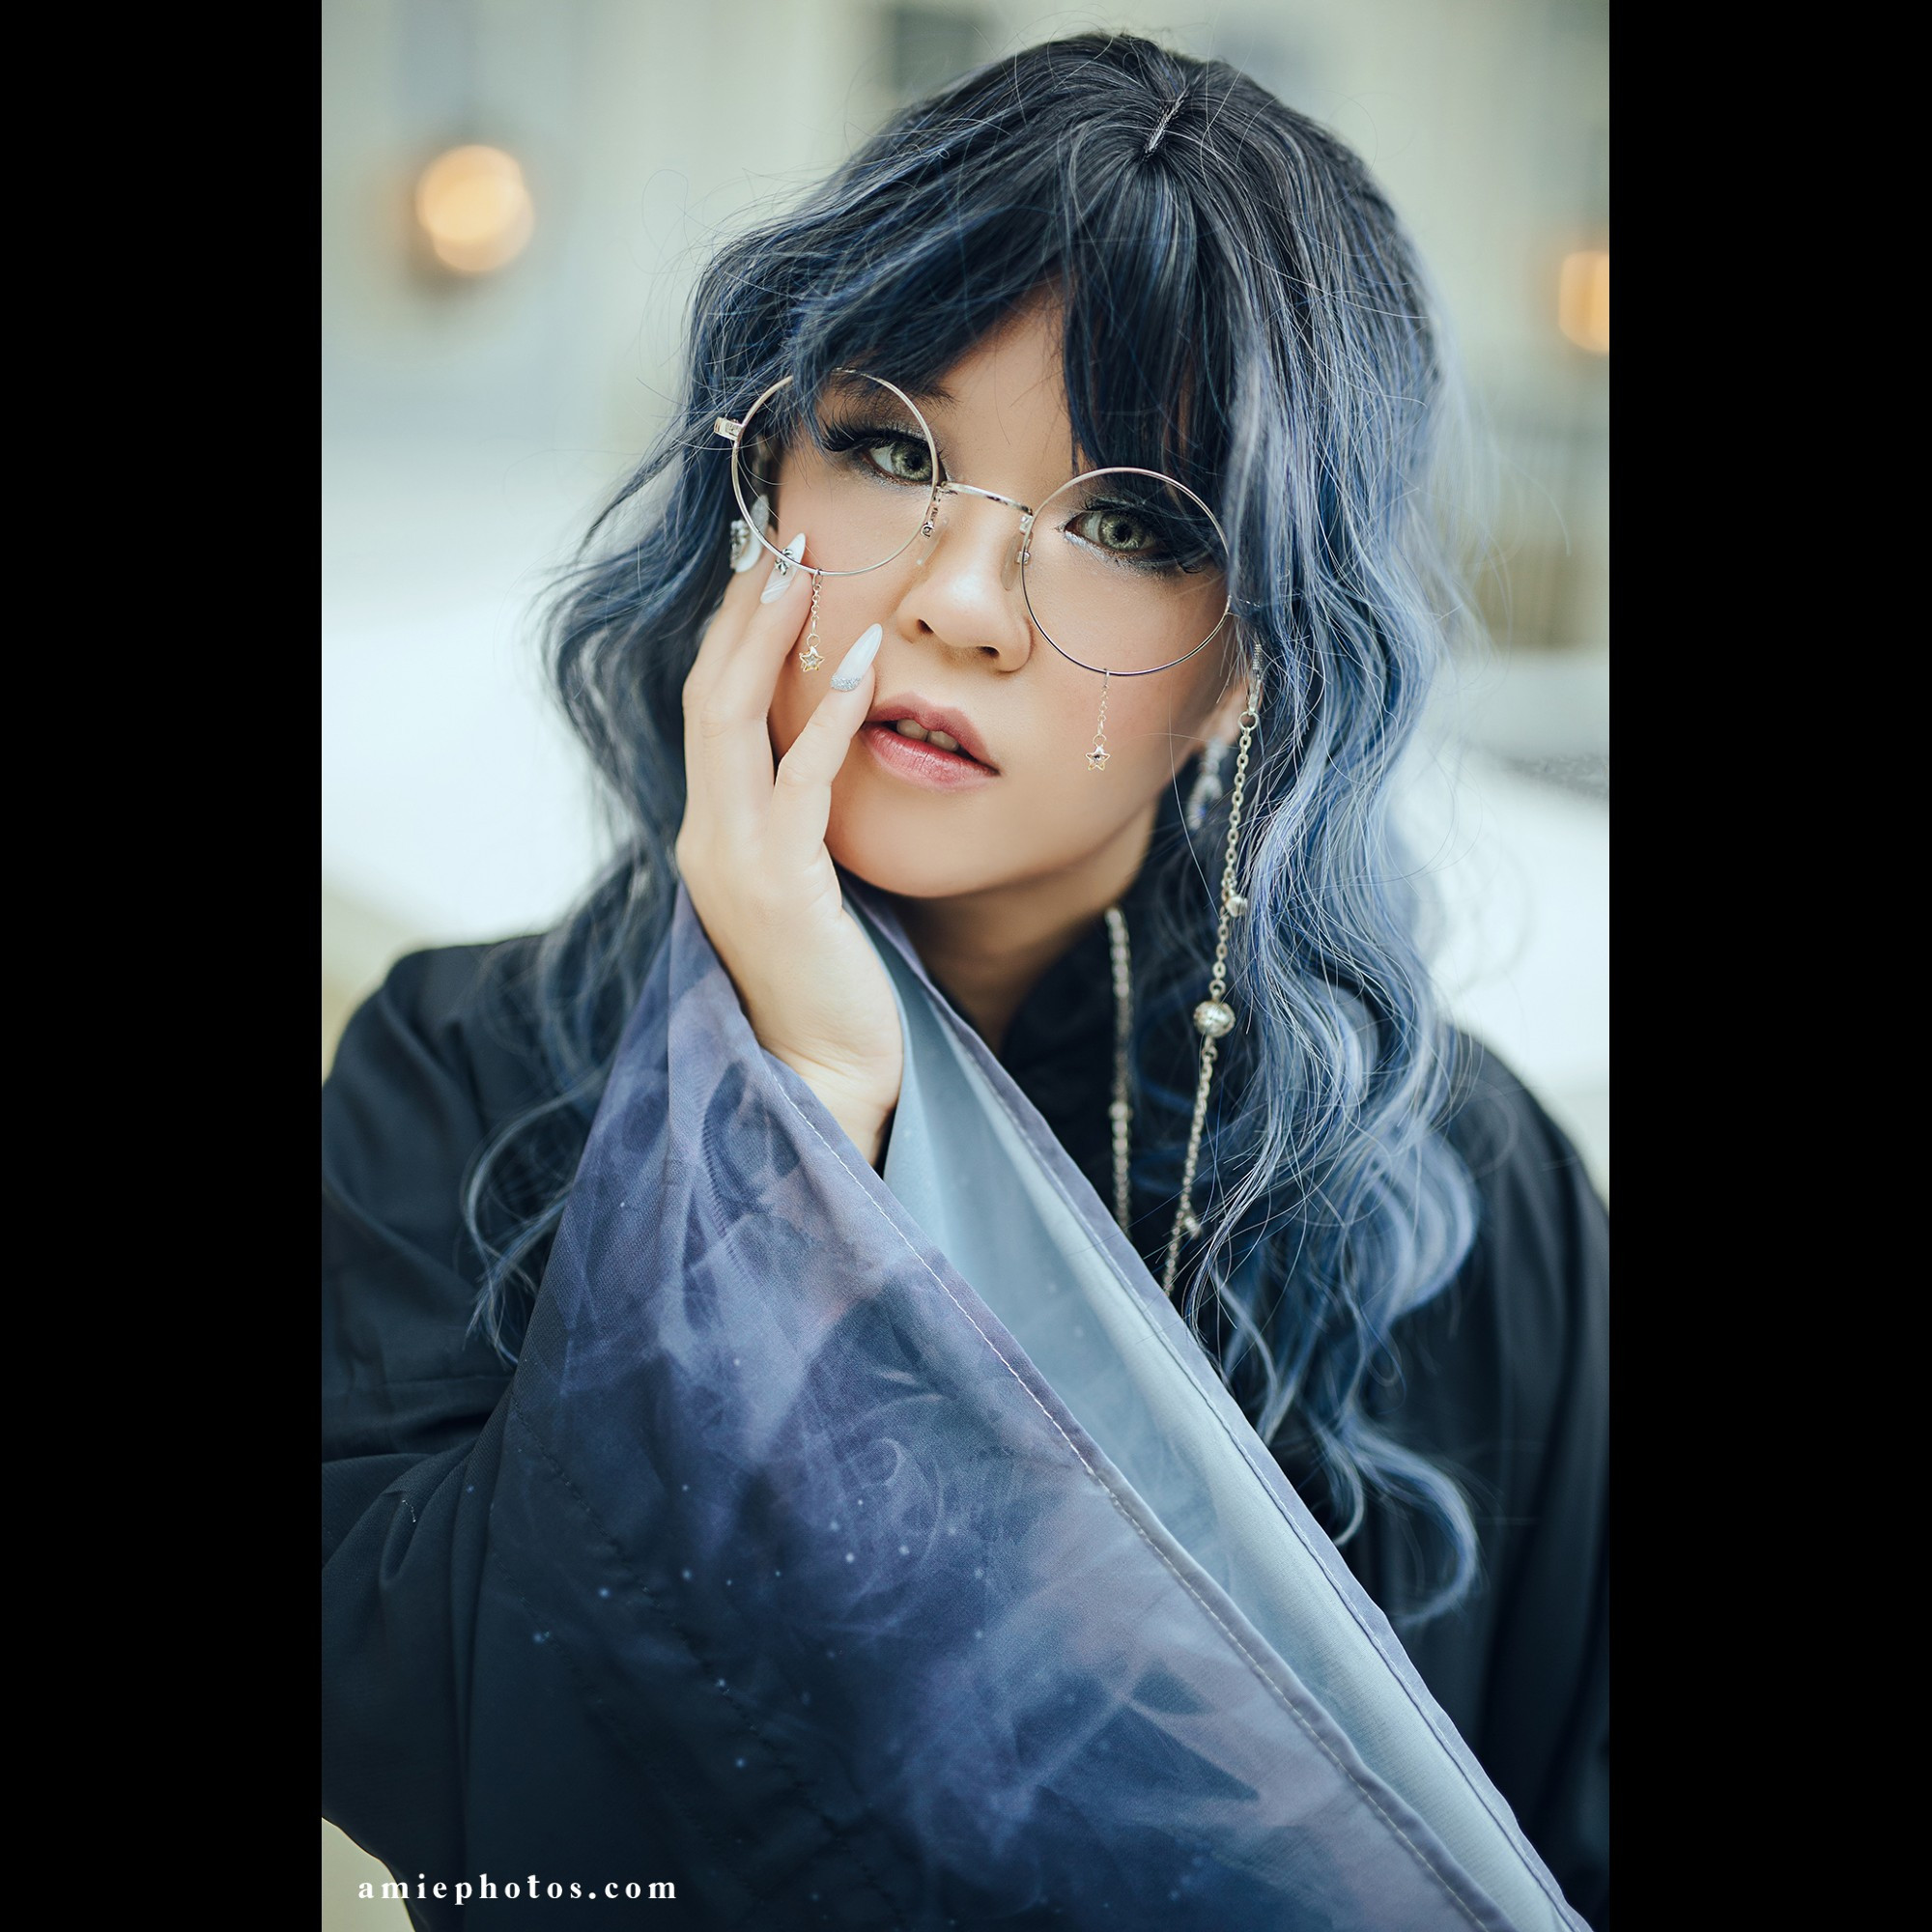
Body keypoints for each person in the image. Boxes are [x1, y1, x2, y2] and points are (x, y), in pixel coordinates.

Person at [324, 33, 1606, 1929]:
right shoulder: (463, 1069)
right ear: (764, 476)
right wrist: (792, 1130)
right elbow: (471, 1785)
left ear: (1257, 655)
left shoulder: (1465, 1205)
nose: (961, 600)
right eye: (893, 449)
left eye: (1130, 524)